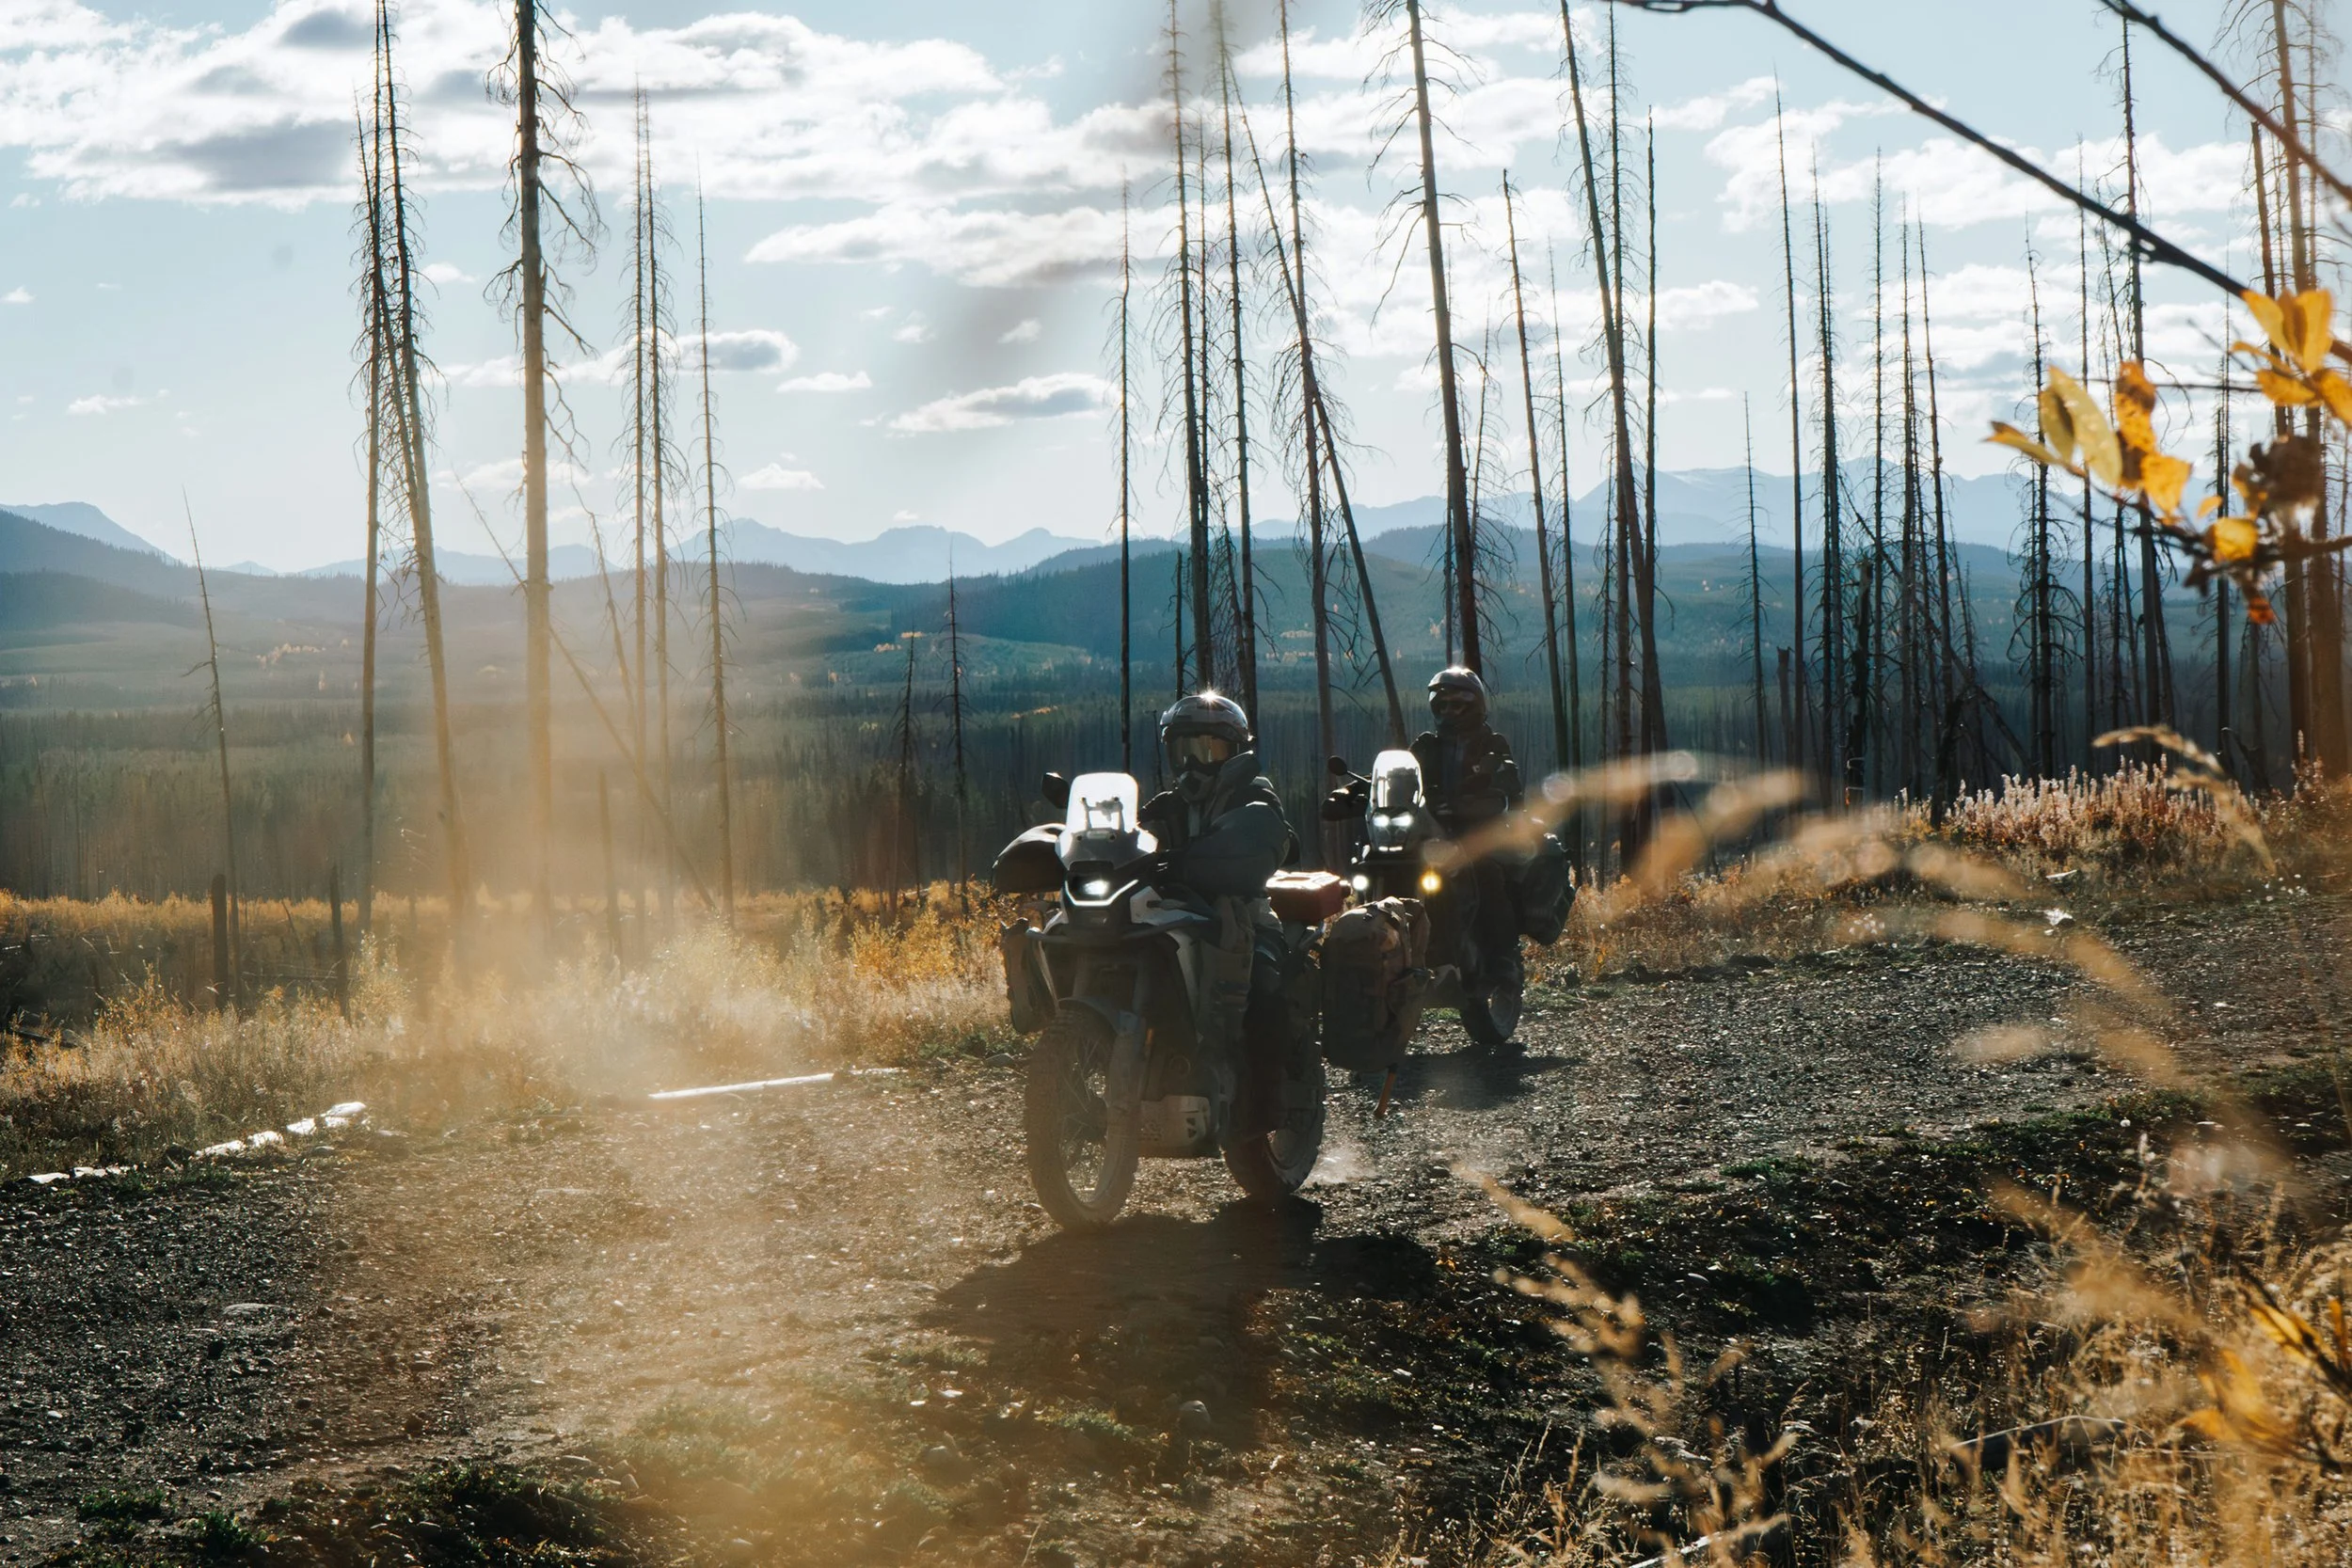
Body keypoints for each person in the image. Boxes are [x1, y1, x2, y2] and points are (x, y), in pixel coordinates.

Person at [1140, 691, 1297, 1134]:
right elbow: (1135, 836)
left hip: (1246, 916)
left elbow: (1268, 831)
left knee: (1265, 989)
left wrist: (1207, 856)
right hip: (1175, 913)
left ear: (1235, 752)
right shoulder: (1172, 803)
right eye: (1183, 751)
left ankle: (1266, 1109)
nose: (1194, 764)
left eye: (1207, 749)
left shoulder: (1254, 794)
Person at [1409, 666, 1524, 993]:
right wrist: (1360, 793)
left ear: (1473, 707)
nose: (1448, 712)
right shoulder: (1427, 745)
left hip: (1481, 831)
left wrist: (1489, 784)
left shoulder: (1491, 742)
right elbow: (1402, 774)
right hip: (1432, 832)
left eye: (1456, 705)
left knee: (1486, 870)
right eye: (1442, 706)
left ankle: (1503, 957)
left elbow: (1509, 779)